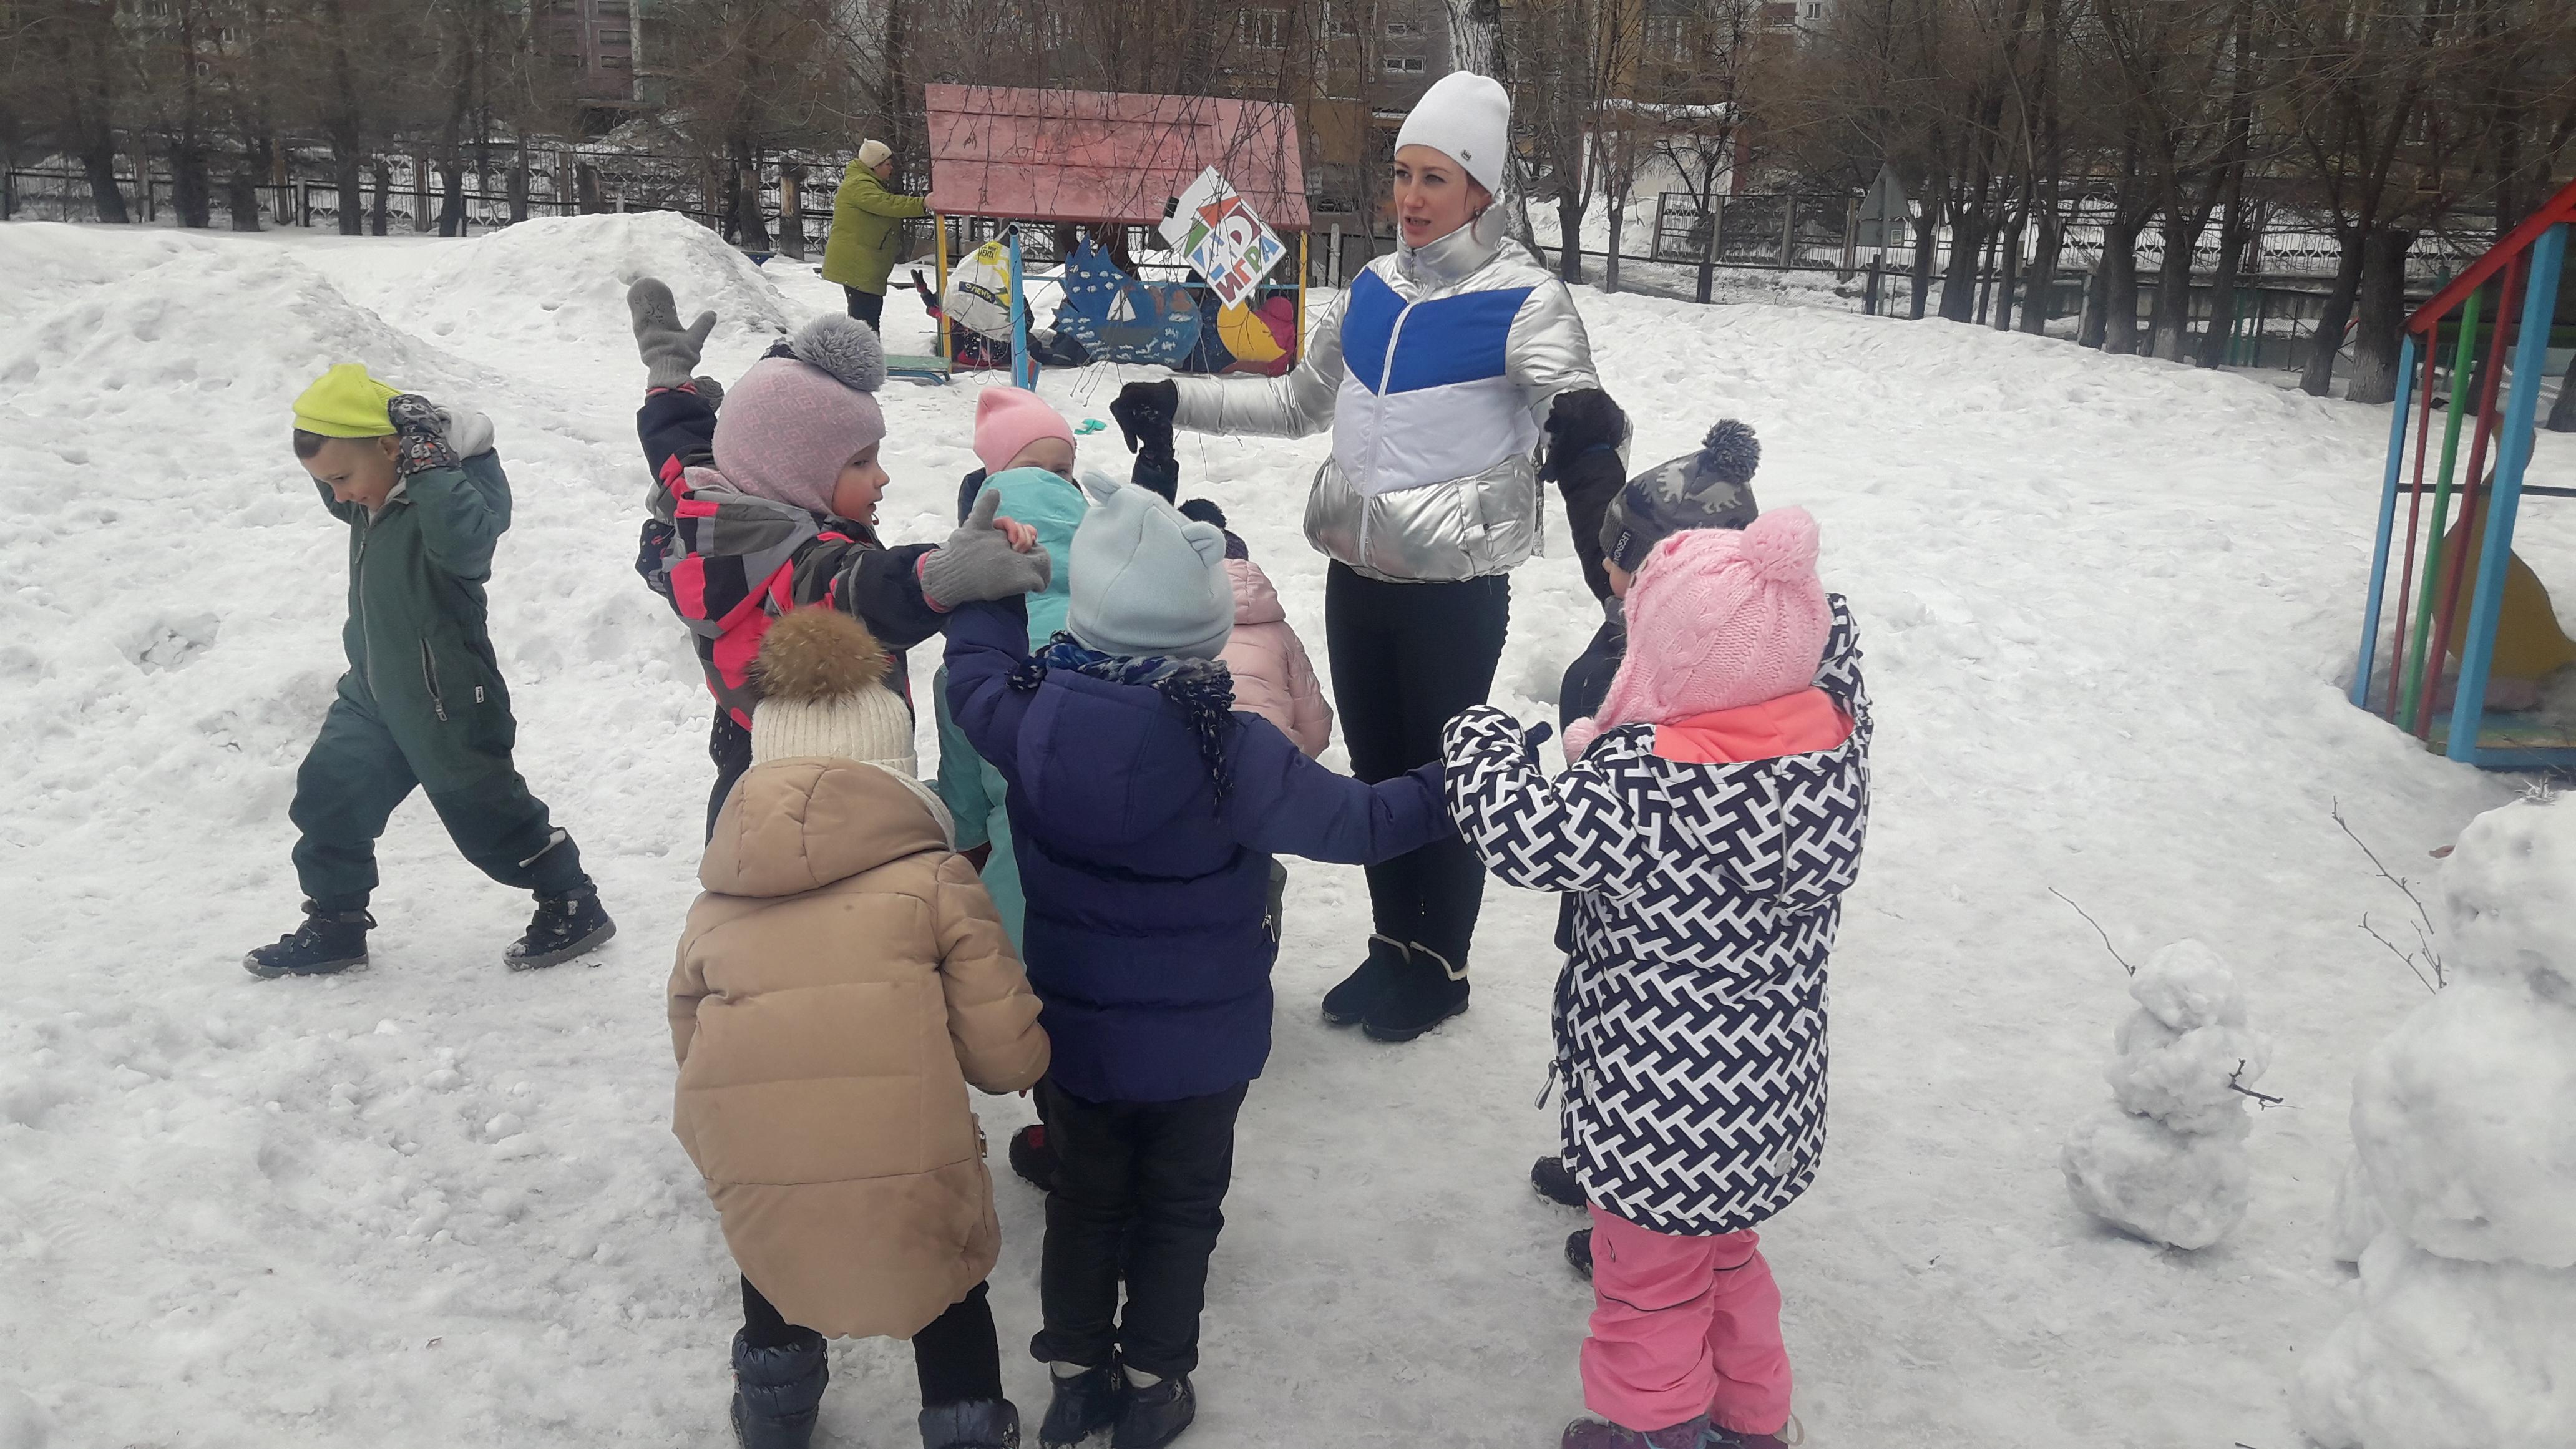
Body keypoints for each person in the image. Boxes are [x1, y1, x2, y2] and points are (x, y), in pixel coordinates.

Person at [1108, 70, 1633, 1043]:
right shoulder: (1375, 290)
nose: (1413, 197)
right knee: (1381, 770)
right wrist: (1178, 398)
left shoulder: (1525, 299)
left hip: (1455, 589)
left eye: (1437, 178)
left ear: (1482, 191)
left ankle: (1441, 962)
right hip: (1358, 575)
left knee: (1451, 771)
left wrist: (1594, 458)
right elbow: (1300, 403)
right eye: (1403, 174)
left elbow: (1577, 413)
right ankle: (1393, 943)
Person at [943, 479, 1454, 1449]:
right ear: (1204, 631)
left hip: (1077, 1042)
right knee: (1179, 1212)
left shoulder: (1034, 717)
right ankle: (1153, 1382)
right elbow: (1361, 821)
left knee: (1087, 1203)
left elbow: (973, 680)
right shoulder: (1235, 747)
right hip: (1201, 1053)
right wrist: (1451, 782)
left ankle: (1076, 1373)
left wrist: (985, 586)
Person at [1440, 509, 1871, 1449]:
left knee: (1648, 1288)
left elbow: (1523, 834)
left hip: (1658, 1117)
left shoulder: (1645, 785)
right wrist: (1783, 590)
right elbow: (1837, 652)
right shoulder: (1835, 749)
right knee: (1729, 1261)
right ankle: (1754, 1422)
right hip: (1769, 1100)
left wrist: (1479, 741)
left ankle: (1657, 1433)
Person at [671, 605, 1048, 1449]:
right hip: (913, 1165)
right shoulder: (937, 882)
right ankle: (965, 1421)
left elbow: (690, 1043)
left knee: (774, 1260)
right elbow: (1003, 1054)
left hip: (762, 1164)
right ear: (895, 768)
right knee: (946, 1282)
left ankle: (774, 1409)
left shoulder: (716, 901)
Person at [624, 279, 1050, 836]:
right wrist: (941, 573)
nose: (882, 476)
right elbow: (857, 588)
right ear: (794, 472)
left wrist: (668, 378)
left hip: (744, 732)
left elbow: (681, 448)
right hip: (812, 778)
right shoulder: (791, 560)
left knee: (741, 850)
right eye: (860, 463)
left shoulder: (714, 505)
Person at [243, 365, 613, 977]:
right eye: (325, 483)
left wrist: (434, 467)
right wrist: (334, 432)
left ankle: (571, 899)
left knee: (487, 817)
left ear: (397, 449)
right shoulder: (373, 492)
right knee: (329, 799)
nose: (340, 496)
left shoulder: (455, 492)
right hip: (373, 690)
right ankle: (335, 924)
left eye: (341, 479)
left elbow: (469, 543)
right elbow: (347, 466)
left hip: (445, 696)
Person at [932, 386, 1090, 950]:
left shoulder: (971, 654)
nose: (1052, 482)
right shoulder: (1123, 619)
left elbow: (965, 799)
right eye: (1033, 468)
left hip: (1021, 903)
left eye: (1063, 469)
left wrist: (969, 837)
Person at [822, 139, 929, 331]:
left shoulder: (866, 183)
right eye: (887, 164)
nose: (891, 168)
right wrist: (923, 204)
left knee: (866, 319)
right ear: (874, 166)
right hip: (857, 265)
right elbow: (888, 204)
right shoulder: (859, 186)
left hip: (863, 263)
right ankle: (863, 358)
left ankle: (864, 357)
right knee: (865, 322)